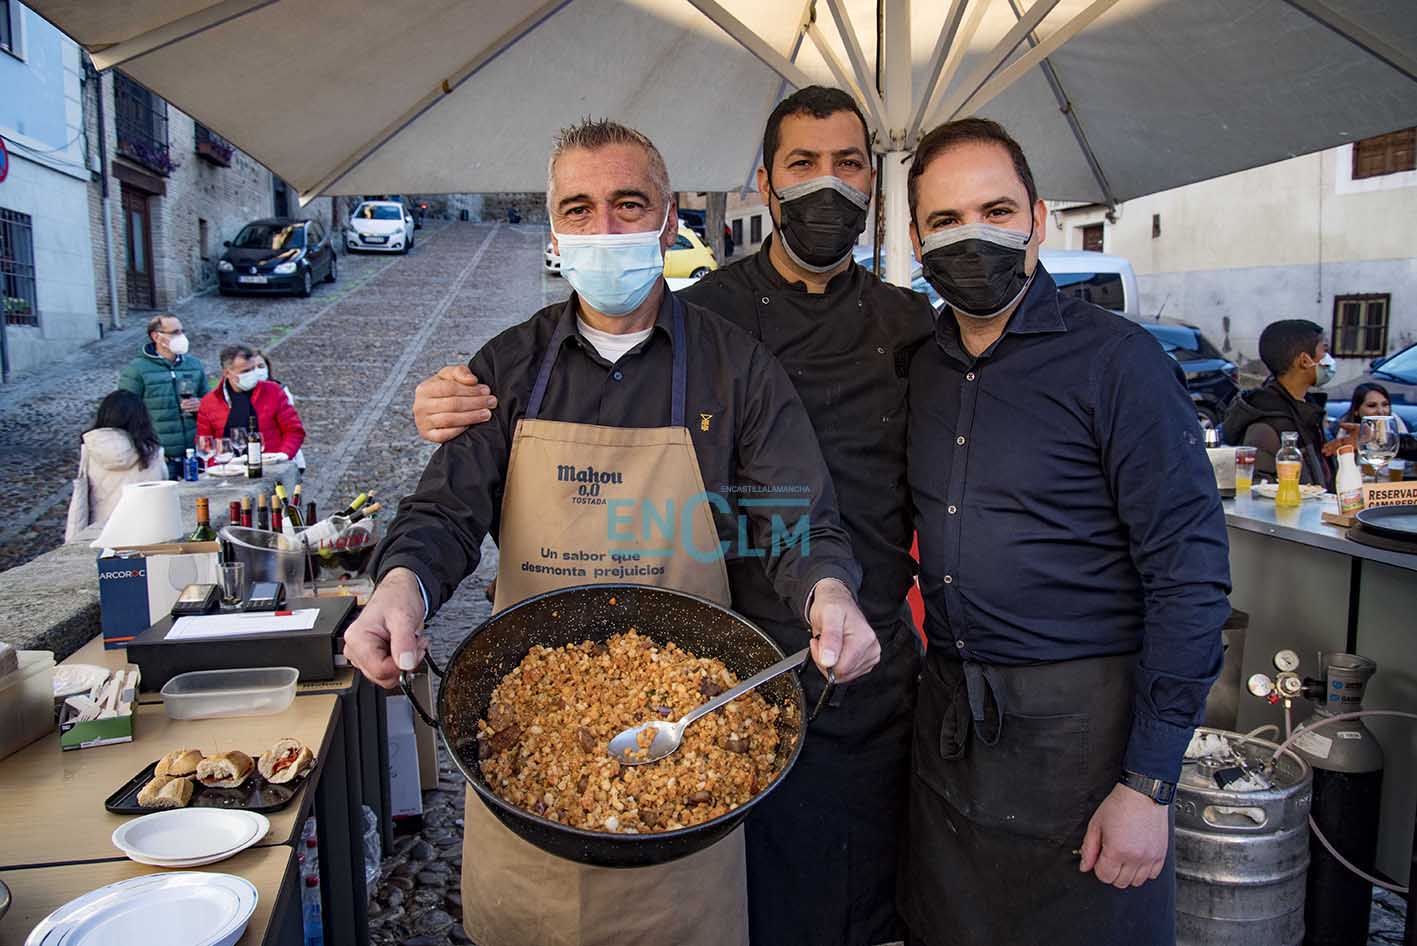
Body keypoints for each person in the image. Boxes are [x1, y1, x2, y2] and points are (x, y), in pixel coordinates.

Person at [409, 86, 934, 946]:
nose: (605, 228)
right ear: (550, 230)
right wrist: (403, 586)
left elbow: (788, 515)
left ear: (666, 223)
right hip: (525, 727)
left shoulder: (734, 364)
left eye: (629, 206)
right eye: (578, 209)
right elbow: (443, 511)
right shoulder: (507, 366)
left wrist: (828, 592)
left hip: (688, 723)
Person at [901, 118, 1230, 946]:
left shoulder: (1118, 364)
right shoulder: (923, 367)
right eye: (944, 221)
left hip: (1083, 743)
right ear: (915, 238)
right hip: (949, 729)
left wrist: (1149, 784)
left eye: (995, 210)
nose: (971, 236)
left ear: (1038, 220)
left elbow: (1189, 576)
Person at [1221, 319, 1335, 489]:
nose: (1328, 359)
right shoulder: (1266, 422)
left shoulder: (1306, 410)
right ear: (1304, 360)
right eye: (1323, 351)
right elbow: (1260, 492)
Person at [65, 390, 167, 541]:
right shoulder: (152, 452)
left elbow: (81, 498)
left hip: (100, 531)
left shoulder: (92, 448)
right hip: (145, 532)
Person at [116, 314, 209, 478]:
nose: (180, 336)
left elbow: (210, 400)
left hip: (195, 454)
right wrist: (145, 449)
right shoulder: (137, 369)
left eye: (182, 331)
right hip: (161, 457)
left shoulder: (194, 365)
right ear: (156, 336)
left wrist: (201, 404)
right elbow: (125, 412)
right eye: (175, 332)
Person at [196, 344, 306, 460]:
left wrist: (283, 455)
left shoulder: (273, 391)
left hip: (270, 465)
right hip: (230, 469)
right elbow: (205, 444)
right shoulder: (209, 402)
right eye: (245, 371)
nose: (253, 374)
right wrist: (219, 466)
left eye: (253, 369)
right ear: (227, 373)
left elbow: (294, 430)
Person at [251, 350, 307, 475]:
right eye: (252, 368)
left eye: (260, 366)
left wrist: (283, 455)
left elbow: (293, 429)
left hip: (279, 459)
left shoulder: (279, 391)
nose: (257, 371)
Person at [1335, 381, 1408, 434]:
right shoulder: (1345, 426)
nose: (1380, 411)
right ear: (1356, 410)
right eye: (1372, 405)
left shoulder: (1394, 419)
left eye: (1385, 404)